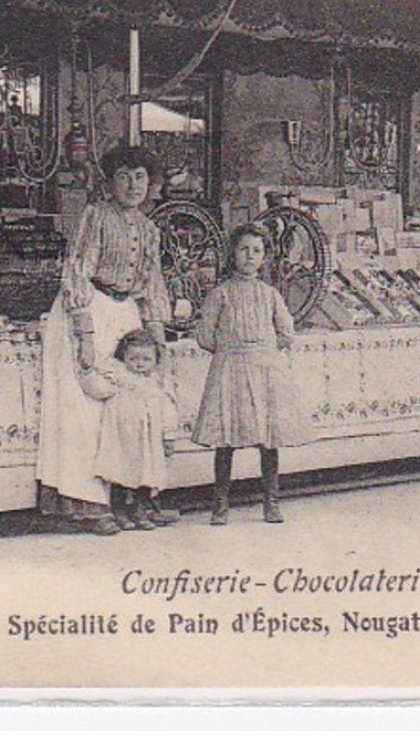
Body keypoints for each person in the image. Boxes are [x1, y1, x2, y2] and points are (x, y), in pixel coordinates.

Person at [36, 145, 171, 535]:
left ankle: (132, 499)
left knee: (128, 410)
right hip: (85, 310)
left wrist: (156, 336)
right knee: (87, 407)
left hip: (123, 312)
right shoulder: (95, 216)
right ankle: (87, 504)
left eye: (141, 177)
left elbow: (150, 285)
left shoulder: (149, 229)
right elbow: (77, 270)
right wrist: (85, 334)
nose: (133, 185)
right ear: (110, 182)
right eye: (125, 176)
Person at [192, 223, 314, 524]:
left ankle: (271, 502)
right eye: (243, 249)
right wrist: (232, 350)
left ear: (265, 257)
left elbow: (286, 332)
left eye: (256, 251)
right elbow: (205, 335)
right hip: (230, 369)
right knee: (225, 439)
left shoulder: (270, 294)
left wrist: (264, 351)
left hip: (264, 370)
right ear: (232, 253)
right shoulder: (221, 293)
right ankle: (220, 505)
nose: (249, 256)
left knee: (268, 439)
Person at [85, 329, 180, 530]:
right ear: (123, 357)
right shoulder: (118, 377)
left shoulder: (157, 383)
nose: (139, 363)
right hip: (123, 437)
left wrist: (168, 436)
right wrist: (87, 369)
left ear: (155, 360)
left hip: (148, 438)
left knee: (147, 472)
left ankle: (140, 510)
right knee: (120, 472)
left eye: (146, 359)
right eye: (133, 358)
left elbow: (168, 410)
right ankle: (119, 511)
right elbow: (96, 385)